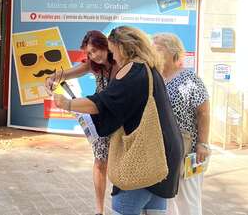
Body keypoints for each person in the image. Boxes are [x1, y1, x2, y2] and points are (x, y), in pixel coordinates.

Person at [51, 26, 183, 215]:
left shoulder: (133, 69)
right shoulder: (149, 67)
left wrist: (67, 104)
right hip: (163, 156)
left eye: (113, 51)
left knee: (122, 207)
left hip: (143, 157)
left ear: (122, 48)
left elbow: (102, 104)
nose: (114, 57)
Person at [45, 30, 119, 215]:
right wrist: (52, 78)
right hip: (100, 119)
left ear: (105, 45)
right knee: (100, 162)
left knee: (120, 162)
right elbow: (70, 73)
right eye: (90, 53)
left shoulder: (120, 63)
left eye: (96, 50)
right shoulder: (94, 65)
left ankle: (122, 204)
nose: (94, 56)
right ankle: (99, 210)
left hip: (121, 120)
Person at [152, 33, 210, 215]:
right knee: (167, 201)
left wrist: (202, 143)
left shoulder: (189, 78)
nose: (154, 51)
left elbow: (204, 112)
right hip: (163, 149)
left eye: (159, 48)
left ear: (173, 52)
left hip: (188, 149)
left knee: (188, 201)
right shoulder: (156, 78)